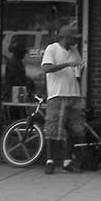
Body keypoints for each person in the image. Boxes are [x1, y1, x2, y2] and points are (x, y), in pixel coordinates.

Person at [40, 23, 85, 174]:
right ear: (66, 37)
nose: (76, 41)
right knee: (52, 129)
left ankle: (67, 161)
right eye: (74, 38)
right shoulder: (52, 49)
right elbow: (46, 68)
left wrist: (79, 74)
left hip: (74, 94)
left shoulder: (74, 51)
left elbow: (78, 70)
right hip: (57, 94)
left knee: (73, 130)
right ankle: (50, 160)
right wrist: (67, 64)